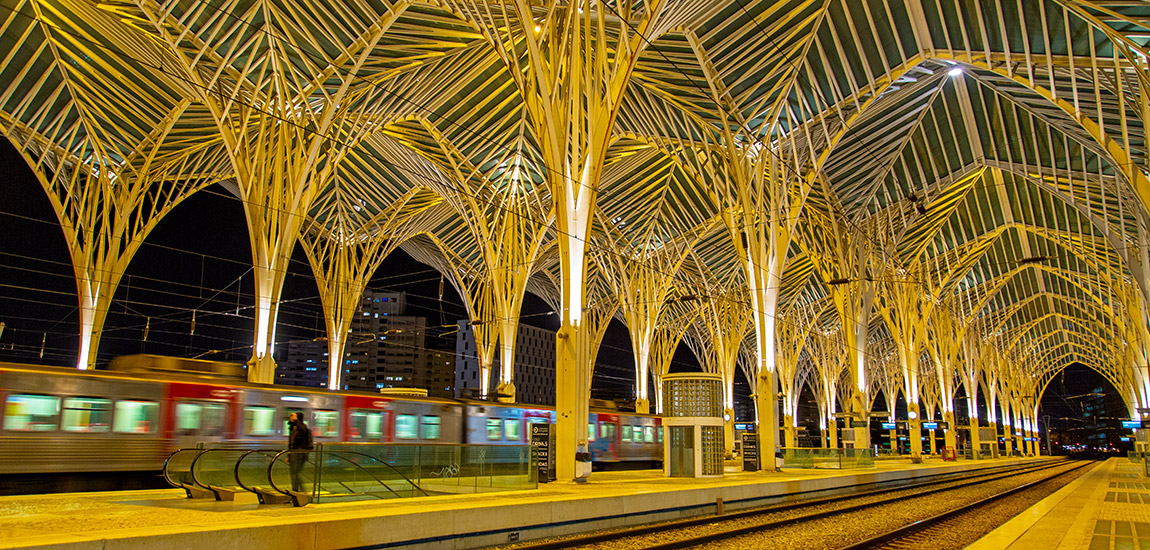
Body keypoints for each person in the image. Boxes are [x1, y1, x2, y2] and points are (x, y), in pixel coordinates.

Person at [287, 412, 313, 492]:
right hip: (293, 454)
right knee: (294, 473)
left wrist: (296, 420)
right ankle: (297, 490)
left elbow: (303, 431)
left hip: (300, 455)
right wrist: (288, 456)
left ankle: (299, 490)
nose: (290, 417)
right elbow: (290, 444)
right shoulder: (292, 428)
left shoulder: (303, 428)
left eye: (293, 416)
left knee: (296, 473)